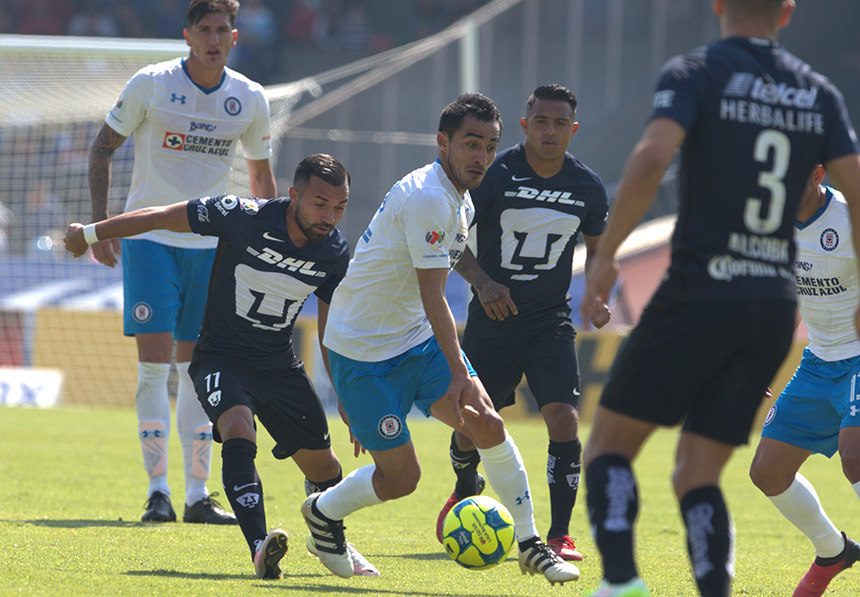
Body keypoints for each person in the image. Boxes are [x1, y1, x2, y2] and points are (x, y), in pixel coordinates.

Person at [578, 1, 860, 596]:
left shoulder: (696, 72)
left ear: (718, 5)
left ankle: (622, 582)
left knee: (607, 446)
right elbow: (855, 180)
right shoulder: (816, 92)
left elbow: (653, 157)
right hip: (772, 310)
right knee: (702, 475)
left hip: (702, 291)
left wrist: (605, 257)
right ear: (787, 13)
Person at [298, 93, 580, 584]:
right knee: (403, 480)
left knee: (486, 422)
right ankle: (323, 512)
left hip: (412, 337)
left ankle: (531, 543)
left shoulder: (460, 196)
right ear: (443, 142)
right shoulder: (429, 197)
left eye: (491, 146)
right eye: (472, 144)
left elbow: (444, 272)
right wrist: (456, 372)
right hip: (362, 353)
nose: (482, 157)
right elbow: (434, 296)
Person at [64, 154, 377, 580]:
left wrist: (346, 396)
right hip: (220, 357)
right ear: (293, 195)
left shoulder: (335, 253)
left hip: (278, 365)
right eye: (320, 203)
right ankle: (259, 547)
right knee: (237, 427)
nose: (330, 216)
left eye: (339, 207)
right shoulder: (241, 216)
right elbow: (158, 216)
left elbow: (329, 332)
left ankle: (328, 535)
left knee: (326, 469)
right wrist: (90, 232)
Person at [87, 0, 277, 524]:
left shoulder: (249, 97)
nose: (214, 39)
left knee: (197, 373)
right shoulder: (151, 83)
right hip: (149, 242)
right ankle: (158, 493)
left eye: (222, 30)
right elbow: (101, 148)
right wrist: (101, 225)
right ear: (187, 35)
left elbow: (261, 183)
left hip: (211, 249)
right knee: (153, 371)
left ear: (234, 37)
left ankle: (197, 495)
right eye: (205, 30)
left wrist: (272, 245)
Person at [435, 84, 612, 562]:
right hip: (493, 319)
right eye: (541, 122)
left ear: (572, 130)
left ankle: (558, 534)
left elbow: (600, 252)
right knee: (470, 425)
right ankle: (464, 484)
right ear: (525, 125)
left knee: (564, 418)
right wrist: (484, 284)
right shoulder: (496, 174)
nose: (549, 131)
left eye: (560, 124)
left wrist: (597, 295)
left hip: (549, 320)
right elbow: (451, 240)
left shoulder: (588, 187)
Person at [749, 165, 860, 596]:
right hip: (817, 363)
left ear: (817, 173)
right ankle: (833, 551)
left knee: (855, 455)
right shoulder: (768, 224)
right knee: (767, 472)